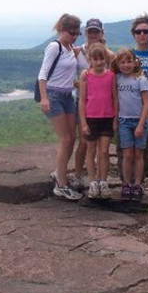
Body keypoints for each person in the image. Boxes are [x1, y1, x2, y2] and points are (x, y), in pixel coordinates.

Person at [38, 13, 85, 200]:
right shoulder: (54, 47)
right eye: (71, 32)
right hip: (54, 95)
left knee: (71, 138)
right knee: (66, 138)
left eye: (77, 33)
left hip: (68, 96)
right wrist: (44, 98)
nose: (74, 36)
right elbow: (42, 74)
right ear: (62, 30)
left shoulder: (70, 47)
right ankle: (61, 184)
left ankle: (60, 172)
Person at [71, 18, 115, 190]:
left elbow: (115, 75)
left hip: (103, 105)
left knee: (101, 147)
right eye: (90, 31)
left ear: (102, 33)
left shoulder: (109, 55)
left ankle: (99, 180)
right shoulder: (77, 51)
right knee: (84, 141)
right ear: (86, 33)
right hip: (83, 101)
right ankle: (78, 175)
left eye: (96, 31)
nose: (93, 34)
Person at [77, 43, 117, 200]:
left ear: (105, 59)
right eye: (95, 59)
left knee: (104, 151)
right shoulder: (86, 77)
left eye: (102, 59)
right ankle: (93, 182)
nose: (99, 62)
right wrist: (83, 123)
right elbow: (81, 101)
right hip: (91, 118)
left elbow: (115, 98)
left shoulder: (111, 76)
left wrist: (115, 119)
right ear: (90, 60)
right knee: (91, 151)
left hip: (107, 118)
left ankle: (103, 181)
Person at [113, 48, 148, 201]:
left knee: (139, 154)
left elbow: (146, 103)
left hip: (139, 121)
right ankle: (126, 184)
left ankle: (137, 184)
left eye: (129, 61)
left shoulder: (141, 79)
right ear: (118, 64)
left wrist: (141, 124)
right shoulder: (117, 78)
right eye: (122, 62)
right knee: (127, 154)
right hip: (124, 121)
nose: (126, 65)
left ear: (135, 62)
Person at [129, 15, 148, 178]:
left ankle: (140, 179)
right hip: (131, 108)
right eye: (138, 31)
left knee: (145, 145)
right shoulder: (128, 56)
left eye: (145, 31)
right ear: (133, 34)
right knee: (127, 146)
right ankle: (127, 179)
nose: (142, 35)